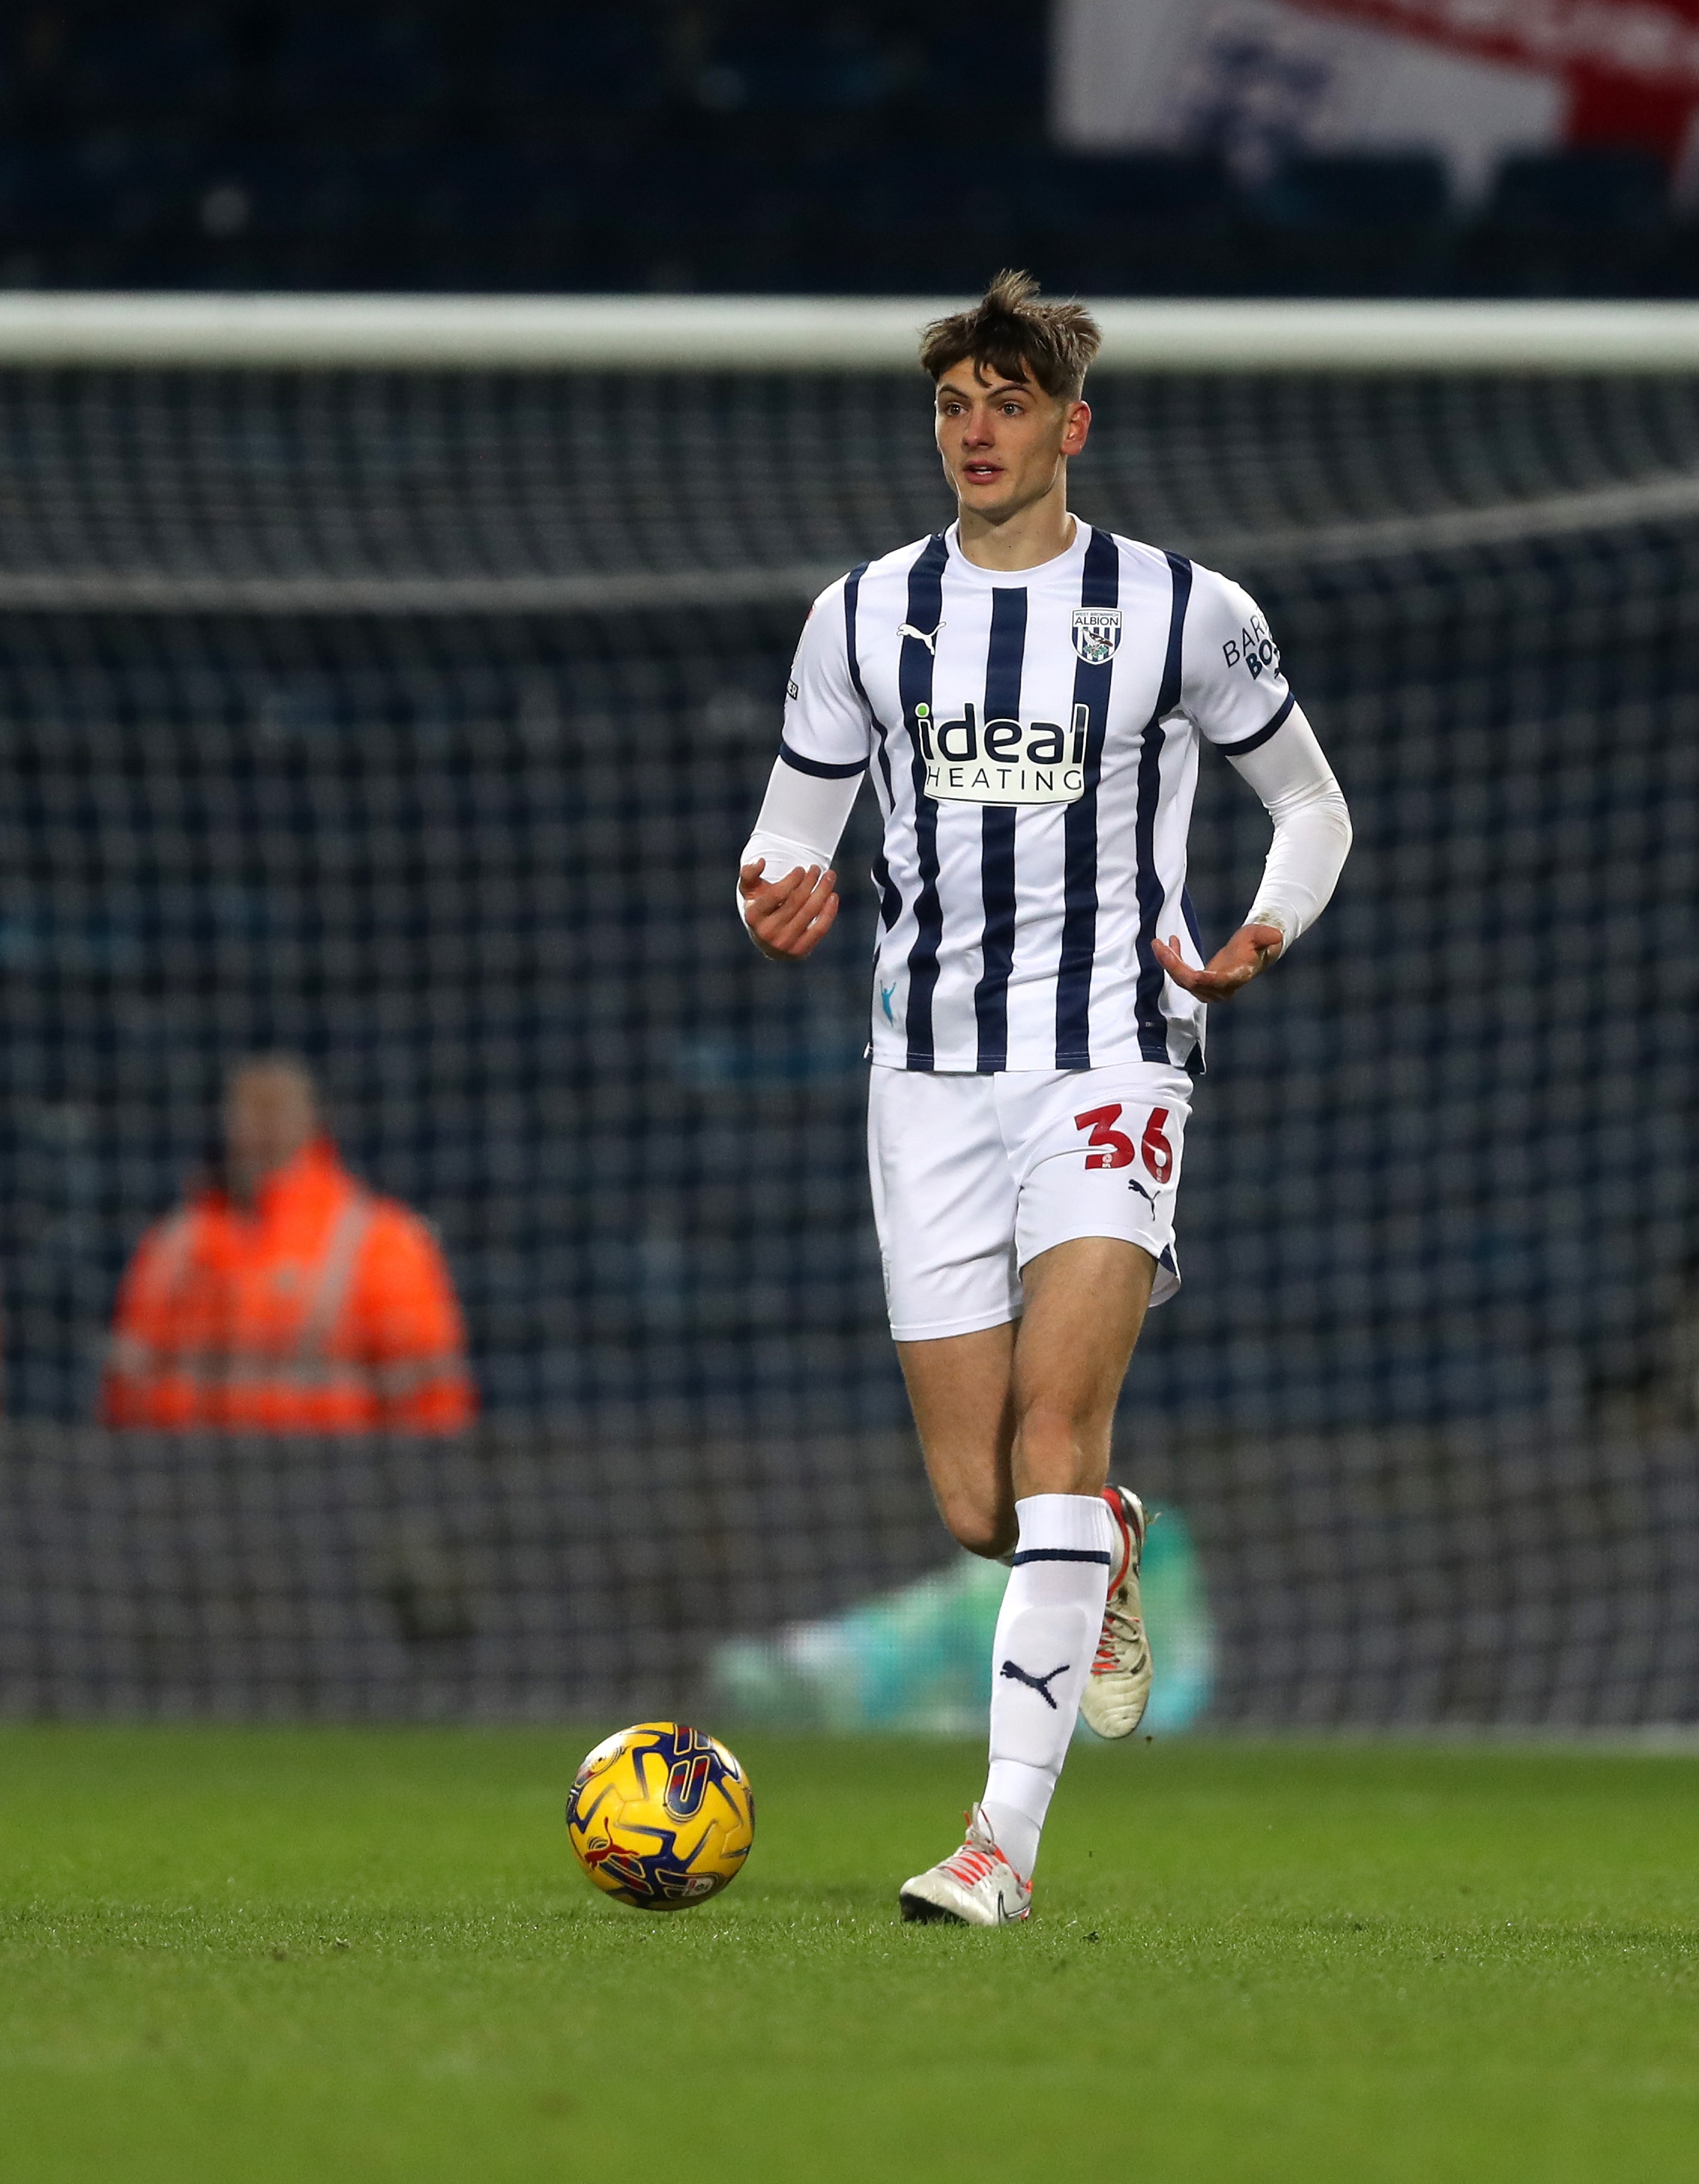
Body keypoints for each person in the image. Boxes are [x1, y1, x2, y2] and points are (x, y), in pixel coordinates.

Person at [736, 272, 1351, 1924]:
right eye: (953, 404)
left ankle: (995, 1842)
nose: (976, 429)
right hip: (924, 1076)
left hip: (1111, 1048)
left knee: (1055, 1429)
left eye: (1007, 401)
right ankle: (1105, 1536)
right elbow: (790, 831)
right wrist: (770, 885)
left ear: (1068, 427)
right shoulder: (858, 616)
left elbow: (1308, 806)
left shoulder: (1177, 608)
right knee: (976, 1505)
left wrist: (1263, 926)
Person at [101, 1056, 475, 1434]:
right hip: (182, 1477)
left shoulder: (379, 1240)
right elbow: (126, 1385)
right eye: (249, 1108)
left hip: (337, 1481)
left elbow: (432, 1401)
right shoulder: (178, 1241)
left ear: (312, 1120)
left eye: (276, 1107)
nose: (262, 1124)